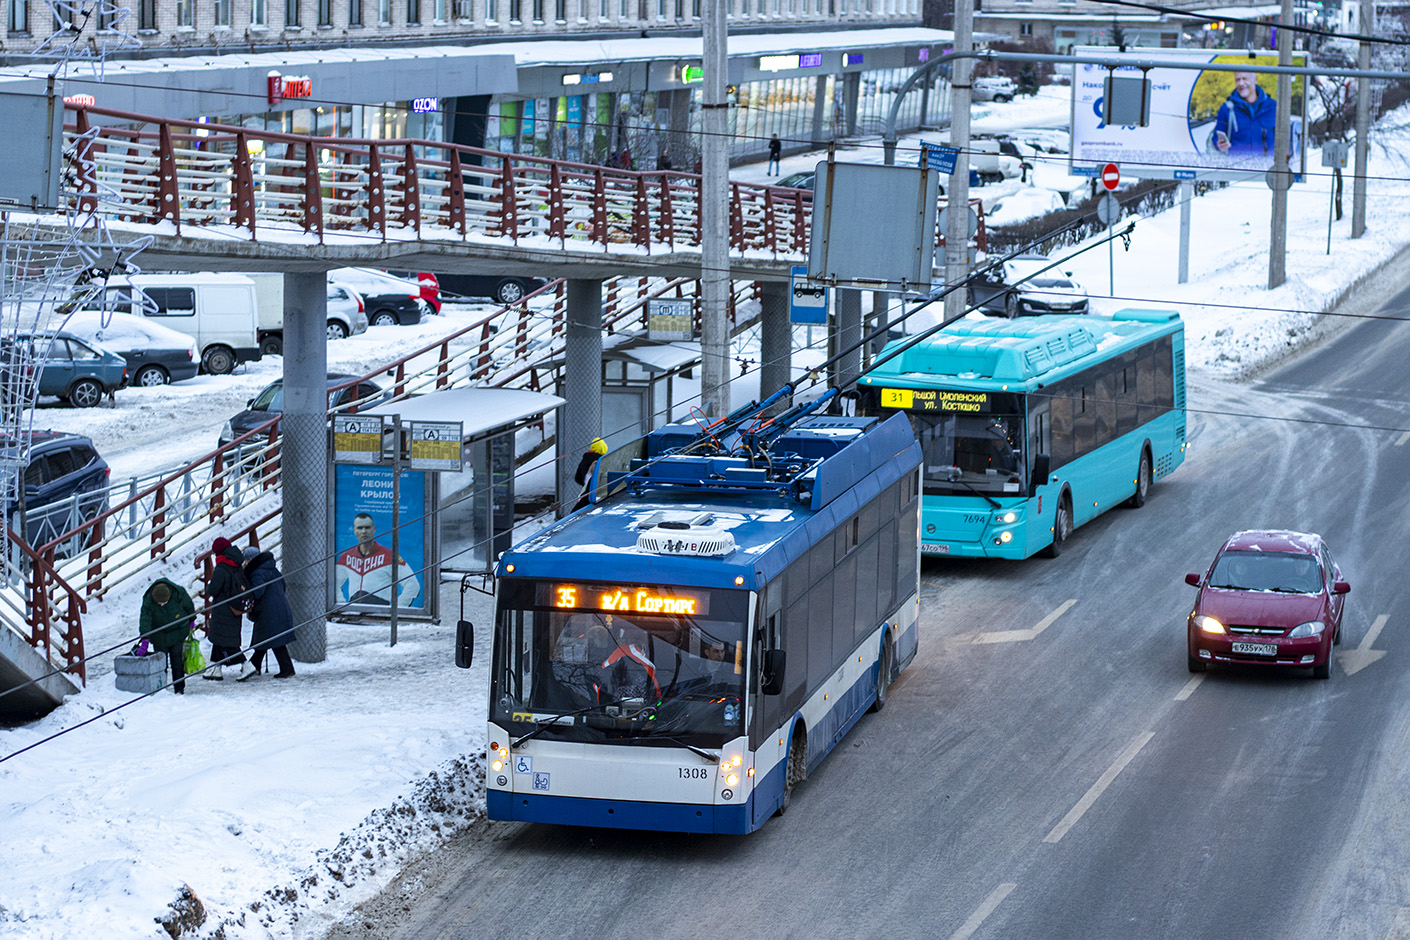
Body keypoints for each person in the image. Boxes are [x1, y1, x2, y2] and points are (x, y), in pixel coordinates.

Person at [334, 512, 421, 606]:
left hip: (379, 615)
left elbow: (412, 584)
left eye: (367, 527)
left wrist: (397, 609)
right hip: (353, 615)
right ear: (354, 530)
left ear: (374, 529)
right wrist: (341, 606)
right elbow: (332, 583)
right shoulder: (347, 556)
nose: (364, 531)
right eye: (360, 528)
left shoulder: (389, 555)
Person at [239, 548, 297, 680]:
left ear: (249, 560)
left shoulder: (258, 572)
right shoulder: (271, 568)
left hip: (269, 610)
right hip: (278, 607)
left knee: (274, 640)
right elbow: (283, 584)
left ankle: (286, 669)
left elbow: (257, 592)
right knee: (265, 639)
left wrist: (247, 592)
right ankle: (255, 666)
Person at [140, 578, 197, 695]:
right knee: (161, 664)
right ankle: (162, 689)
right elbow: (145, 619)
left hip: (178, 632)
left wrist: (192, 619)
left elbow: (189, 606)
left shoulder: (178, 593)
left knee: (177, 662)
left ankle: (179, 689)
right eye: (159, 604)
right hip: (159, 636)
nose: (162, 605)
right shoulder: (148, 600)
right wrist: (145, 638)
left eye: (164, 603)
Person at [203, 536, 249, 680]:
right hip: (234, 607)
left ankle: (246, 665)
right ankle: (215, 669)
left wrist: (209, 586)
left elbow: (214, 589)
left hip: (223, 608)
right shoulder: (237, 564)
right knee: (220, 639)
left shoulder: (222, 567)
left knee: (227, 641)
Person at [1214, 71, 1277, 156]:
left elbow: (1284, 139)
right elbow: (1216, 138)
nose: (1240, 83)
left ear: (1255, 80)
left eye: (1245, 79)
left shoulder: (1273, 107)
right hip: (1237, 166)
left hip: (1266, 166)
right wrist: (1219, 145)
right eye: (1237, 80)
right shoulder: (1226, 109)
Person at [572, 437, 609, 511]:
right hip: (595, 494)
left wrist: (585, 483)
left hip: (584, 493)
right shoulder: (599, 461)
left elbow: (577, 477)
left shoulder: (584, 459)